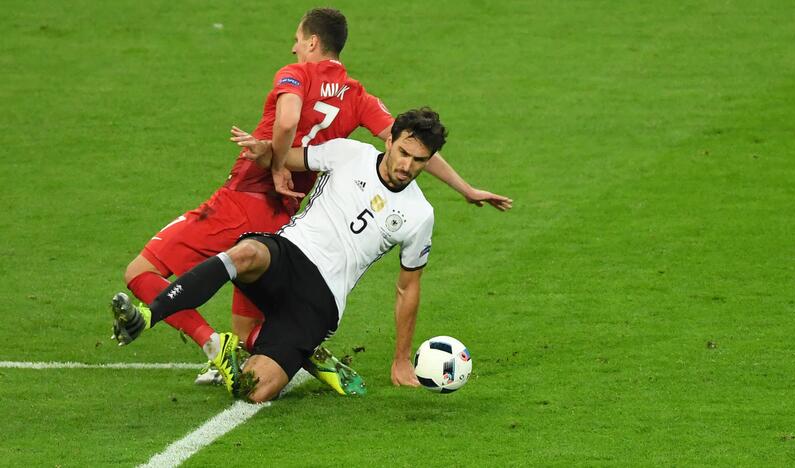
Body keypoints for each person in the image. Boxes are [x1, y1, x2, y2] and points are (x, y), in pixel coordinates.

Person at [119, 7, 511, 392]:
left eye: (297, 41)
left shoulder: (296, 76)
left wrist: (271, 159)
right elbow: (406, 141)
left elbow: (290, 123)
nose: (293, 49)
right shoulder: (359, 100)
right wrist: (466, 188)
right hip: (288, 217)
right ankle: (286, 349)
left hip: (247, 197)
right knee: (246, 321)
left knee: (140, 271)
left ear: (312, 41)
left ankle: (199, 337)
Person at [112, 108, 447, 402]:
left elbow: (408, 288)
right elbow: (287, 157)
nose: (406, 166)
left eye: (419, 160)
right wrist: (265, 151)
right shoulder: (350, 154)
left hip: (321, 302)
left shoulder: (420, 215)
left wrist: (401, 359)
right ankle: (149, 316)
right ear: (390, 141)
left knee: (252, 390)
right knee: (246, 253)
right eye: (403, 152)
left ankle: (303, 352)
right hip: (288, 254)